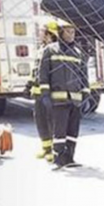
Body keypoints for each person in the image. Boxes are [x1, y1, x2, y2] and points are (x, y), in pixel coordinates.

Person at [38, 20, 89, 169]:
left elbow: (84, 76)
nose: (71, 34)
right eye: (68, 31)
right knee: (59, 131)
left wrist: (86, 95)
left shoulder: (79, 53)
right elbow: (43, 75)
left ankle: (70, 158)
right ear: (60, 32)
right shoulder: (50, 50)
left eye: (73, 31)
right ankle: (59, 158)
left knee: (72, 131)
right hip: (58, 100)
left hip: (75, 100)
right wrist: (45, 95)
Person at [31, 21, 60, 162]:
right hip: (38, 94)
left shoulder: (53, 50)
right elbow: (36, 71)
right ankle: (46, 148)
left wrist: (46, 94)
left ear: (49, 34)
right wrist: (28, 85)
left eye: (43, 31)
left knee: (51, 122)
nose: (40, 33)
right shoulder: (42, 48)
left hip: (47, 94)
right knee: (40, 121)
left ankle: (53, 150)